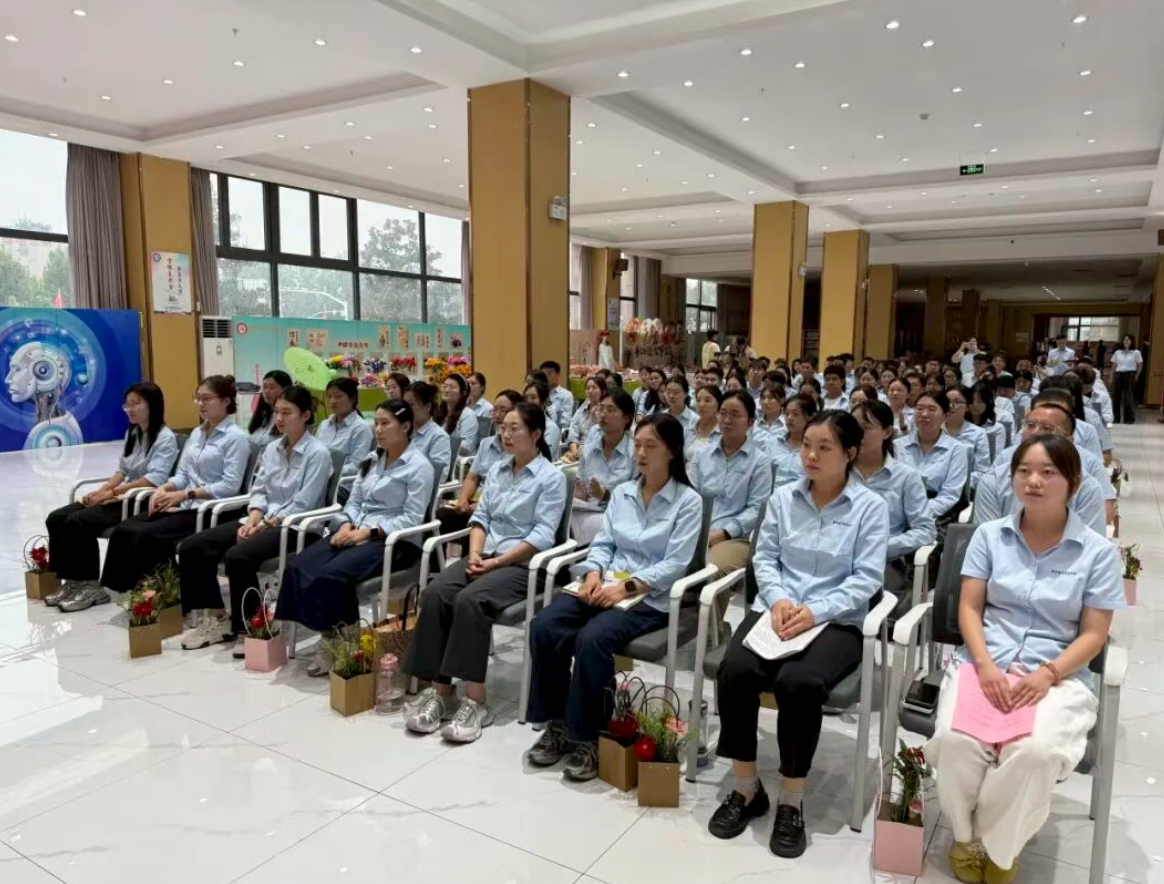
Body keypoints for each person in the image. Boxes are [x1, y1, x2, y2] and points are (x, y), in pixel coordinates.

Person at [927, 434, 1123, 884]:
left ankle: (999, 846)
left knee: (1033, 752)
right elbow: (970, 608)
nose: (1033, 481)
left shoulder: (1096, 552)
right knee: (956, 742)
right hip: (986, 662)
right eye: (1024, 471)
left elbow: (1094, 634)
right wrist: (985, 665)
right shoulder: (989, 537)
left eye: (1048, 472)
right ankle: (965, 837)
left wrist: (1048, 674)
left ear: (1073, 483)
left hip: (1057, 673)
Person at [708, 411, 889, 858]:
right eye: (807, 444)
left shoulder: (870, 507)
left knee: (798, 682)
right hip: (779, 609)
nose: (811, 455)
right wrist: (778, 600)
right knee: (735, 671)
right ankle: (747, 787)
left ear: (849, 454)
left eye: (824, 447)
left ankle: (792, 799)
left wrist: (815, 611)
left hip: (836, 619)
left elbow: (866, 578)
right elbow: (765, 558)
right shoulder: (782, 498)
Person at [526, 413, 704, 780]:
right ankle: (557, 723)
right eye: (637, 445)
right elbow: (604, 543)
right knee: (545, 625)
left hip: (648, 598)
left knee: (592, 640)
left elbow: (675, 564)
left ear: (672, 451)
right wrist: (593, 573)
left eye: (651, 446)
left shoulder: (688, 501)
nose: (641, 453)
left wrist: (627, 587)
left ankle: (589, 736)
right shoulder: (623, 493)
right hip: (605, 585)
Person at [405, 402, 568, 742]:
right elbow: (481, 518)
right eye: (503, 428)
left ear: (536, 434)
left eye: (514, 428)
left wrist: (496, 562)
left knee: (470, 600)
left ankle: (475, 701)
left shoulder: (551, 478)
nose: (505, 434)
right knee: (436, 593)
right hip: (486, 554)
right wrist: (477, 553)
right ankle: (442, 693)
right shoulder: (497, 470)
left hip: (523, 565)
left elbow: (542, 534)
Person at [274, 398, 435, 675]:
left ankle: (344, 641)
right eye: (376, 423)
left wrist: (366, 533)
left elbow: (412, 517)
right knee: (298, 565)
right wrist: (346, 525)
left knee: (331, 575)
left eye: (386, 423)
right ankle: (328, 633)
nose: (378, 430)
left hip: (394, 542)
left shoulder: (419, 466)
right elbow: (355, 501)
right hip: (356, 531)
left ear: (406, 426)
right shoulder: (372, 460)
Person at [178, 385, 333, 652]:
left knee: (237, 556)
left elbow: (303, 503)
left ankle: (250, 626)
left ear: (306, 415)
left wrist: (264, 525)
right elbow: (259, 491)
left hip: (296, 528)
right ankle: (218, 619)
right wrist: (252, 520)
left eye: (287, 412)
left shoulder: (318, 453)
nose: (279, 418)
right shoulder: (272, 449)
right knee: (193, 546)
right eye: (277, 412)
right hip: (263, 520)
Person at [98, 376, 250, 598]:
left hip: (211, 510)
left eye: (207, 399)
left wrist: (186, 494)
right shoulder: (197, 433)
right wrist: (165, 488)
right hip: (185, 503)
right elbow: (183, 474)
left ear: (226, 401)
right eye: (198, 398)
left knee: (147, 534)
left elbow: (230, 485)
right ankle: (132, 588)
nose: (201, 404)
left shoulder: (236, 438)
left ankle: (165, 590)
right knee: (126, 529)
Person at [45, 382, 180, 611]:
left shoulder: (165, 438)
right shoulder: (133, 432)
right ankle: (72, 580)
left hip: (141, 498)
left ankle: (91, 586)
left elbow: (153, 480)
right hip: (123, 494)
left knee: (79, 521)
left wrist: (113, 493)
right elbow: (122, 470)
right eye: (127, 405)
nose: (129, 409)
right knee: (56, 518)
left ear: (152, 405)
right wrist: (103, 490)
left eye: (135, 404)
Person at [851, 400, 936, 614]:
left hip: (883, 561)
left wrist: (884, 546)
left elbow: (926, 529)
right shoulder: (836, 471)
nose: (857, 433)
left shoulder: (906, 477)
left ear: (888, 431)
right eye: (853, 426)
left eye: (866, 427)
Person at [973, 406, 1107, 535]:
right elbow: (987, 541)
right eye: (1030, 425)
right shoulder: (993, 481)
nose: (1035, 432)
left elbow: (1090, 545)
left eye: (1046, 428)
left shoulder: (1087, 487)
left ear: (1068, 440)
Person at [691, 391, 773, 577]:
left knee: (713, 567)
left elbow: (757, 509)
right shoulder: (701, 455)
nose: (727, 420)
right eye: (723, 413)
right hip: (697, 530)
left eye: (735, 415)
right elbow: (690, 496)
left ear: (751, 422)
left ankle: (709, 600)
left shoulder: (759, 461)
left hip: (735, 538)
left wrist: (725, 532)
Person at [437, 389, 523, 535]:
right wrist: (463, 499)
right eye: (495, 409)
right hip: (475, 502)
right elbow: (472, 477)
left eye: (503, 410)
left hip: (498, 508)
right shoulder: (486, 443)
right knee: (441, 516)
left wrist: (482, 506)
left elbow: (511, 490)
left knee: (475, 524)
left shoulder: (520, 449)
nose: (497, 415)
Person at [571, 388, 637, 544]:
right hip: (587, 514)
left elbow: (637, 502)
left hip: (620, 519)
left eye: (610, 410)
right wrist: (578, 495)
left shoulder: (635, 453)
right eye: (601, 408)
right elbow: (581, 487)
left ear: (626, 418)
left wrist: (605, 496)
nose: (603, 414)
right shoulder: (589, 448)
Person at [894, 392, 970, 525]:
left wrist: (917, 513)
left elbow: (949, 495)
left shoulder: (957, 449)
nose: (924, 414)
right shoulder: (897, 446)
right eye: (919, 408)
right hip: (898, 512)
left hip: (936, 517)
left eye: (931, 409)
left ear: (945, 415)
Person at [316, 377, 374, 477]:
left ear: (352, 399)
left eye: (338, 396)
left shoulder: (361, 428)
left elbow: (357, 466)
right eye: (329, 397)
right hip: (318, 475)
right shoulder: (324, 425)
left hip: (340, 482)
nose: (332, 401)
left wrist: (326, 470)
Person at [404, 381, 453, 483]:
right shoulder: (403, 431)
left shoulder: (438, 436)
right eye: (405, 405)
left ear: (427, 407)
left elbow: (439, 476)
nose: (406, 410)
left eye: (411, 404)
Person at [944, 386, 991, 488]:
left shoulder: (978, 433)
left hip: (965, 490)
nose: (951, 406)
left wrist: (955, 483)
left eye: (957, 402)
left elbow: (982, 471)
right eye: (947, 401)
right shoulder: (934, 429)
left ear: (967, 407)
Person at [770, 394, 816, 487]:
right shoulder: (772, 443)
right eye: (787, 413)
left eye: (795, 414)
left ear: (810, 417)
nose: (789, 418)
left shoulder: (815, 449)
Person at [247, 370, 291, 451]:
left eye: (272, 387)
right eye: (264, 387)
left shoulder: (289, 419)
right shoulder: (263, 415)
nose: (266, 391)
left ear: (285, 390)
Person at [438, 373, 479, 455]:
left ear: (463, 393)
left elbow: (466, 447)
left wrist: (438, 443)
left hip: (459, 460)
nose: (446, 390)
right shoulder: (440, 412)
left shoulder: (468, 415)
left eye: (452, 387)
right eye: (445, 386)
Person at [566, 376, 605, 460]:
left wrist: (597, 418)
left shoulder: (605, 411)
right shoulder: (582, 408)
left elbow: (604, 437)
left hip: (598, 454)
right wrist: (574, 450)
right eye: (587, 388)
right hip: (578, 451)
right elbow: (573, 431)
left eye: (594, 388)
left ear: (602, 391)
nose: (590, 391)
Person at [523, 380, 563, 460]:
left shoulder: (552, 428)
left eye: (533, 397)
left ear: (544, 401)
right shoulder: (522, 425)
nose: (528, 401)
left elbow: (545, 458)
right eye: (525, 398)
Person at [967, 381, 1006, 458]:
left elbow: (997, 457)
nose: (975, 405)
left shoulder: (997, 428)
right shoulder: (962, 425)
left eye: (979, 401)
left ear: (988, 402)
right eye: (972, 401)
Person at [1110, 333, 1142, 424]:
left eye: (1128, 340)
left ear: (1132, 341)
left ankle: (1129, 419)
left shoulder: (1136, 352)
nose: (1126, 341)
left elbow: (1140, 365)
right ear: (1122, 341)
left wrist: (1136, 376)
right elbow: (1114, 365)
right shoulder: (1117, 352)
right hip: (1118, 374)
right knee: (1115, 397)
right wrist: (1111, 376)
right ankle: (1116, 418)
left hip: (1130, 375)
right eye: (1125, 340)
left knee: (1128, 398)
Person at [687, 383, 723, 460]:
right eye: (698, 400)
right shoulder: (689, 428)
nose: (701, 405)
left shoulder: (724, 432)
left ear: (719, 404)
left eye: (707, 400)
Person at [541, 360, 576, 432]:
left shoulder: (566, 395)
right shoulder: (538, 393)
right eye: (543, 374)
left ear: (558, 375)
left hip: (557, 432)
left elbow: (565, 422)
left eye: (549, 373)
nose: (546, 376)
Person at [662, 375, 698, 440]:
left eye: (676, 392)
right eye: (668, 392)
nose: (671, 396)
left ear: (686, 394)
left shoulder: (695, 419)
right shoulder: (661, 416)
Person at [753, 382, 786, 447]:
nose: (765, 402)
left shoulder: (787, 425)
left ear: (782, 400)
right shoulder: (754, 425)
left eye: (771, 397)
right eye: (763, 398)